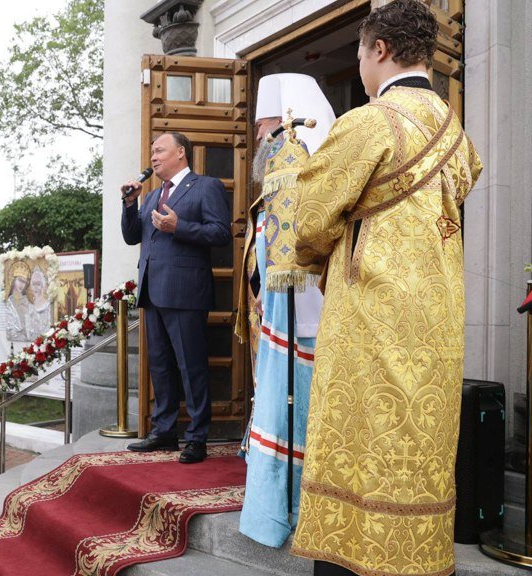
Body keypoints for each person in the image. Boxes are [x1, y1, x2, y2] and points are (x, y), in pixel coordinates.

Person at [288, 3, 483, 575]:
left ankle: (355, 558)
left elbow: (309, 219)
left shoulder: (369, 121)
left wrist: (319, 252)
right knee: (418, 448)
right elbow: (463, 184)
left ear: (379, 49)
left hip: (372, 318)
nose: (360, 64)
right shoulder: (454, 130)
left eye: (358, 51)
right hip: (437, 319)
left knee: (363, 443)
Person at [234, 74, 335, 549]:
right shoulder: (282, 159)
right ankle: (270, 503)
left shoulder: (296, 157)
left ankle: (286, 507)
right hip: (279, 302)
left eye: (264, 124)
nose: (258, 135)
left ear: (288, 121)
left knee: (295, 398)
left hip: (304, 304)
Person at [120, 131, 232, 464]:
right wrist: (130, 205)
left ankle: (197, 437)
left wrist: (179, 227)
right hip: (153, 291)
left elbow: (221, 233)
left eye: (159, 151)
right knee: (161, 367)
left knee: (191, 366)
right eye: (152, 152)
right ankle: (164, 432)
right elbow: (131, 237)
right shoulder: (152, 197)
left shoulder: (205, 186)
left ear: (180, 153)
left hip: (185, 293)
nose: (153, 157)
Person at [2, 261, 30, 342]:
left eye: (24, 282)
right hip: (15, 339)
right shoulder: (9, 301)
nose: (22, 284)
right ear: (13, 280)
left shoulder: (27, 301)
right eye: (20, 280)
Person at [24, 265, 52, 341]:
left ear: (43, 285)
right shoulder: (29, 306)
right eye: (33, 284)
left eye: (38, 284)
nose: (35, 287)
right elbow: (28, 333)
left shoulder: (48, 306)